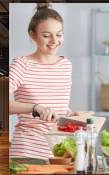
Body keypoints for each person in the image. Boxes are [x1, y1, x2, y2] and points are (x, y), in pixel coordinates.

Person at [9, 3, 79, 160]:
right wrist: (35, 108)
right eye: (47, 35)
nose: (54, 40)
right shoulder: (21, 64)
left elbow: (58, 106)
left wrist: (70, 114)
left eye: (59, 34)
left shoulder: (65, 65)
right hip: (28, 150)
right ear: (33, 35)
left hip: (60, 151)